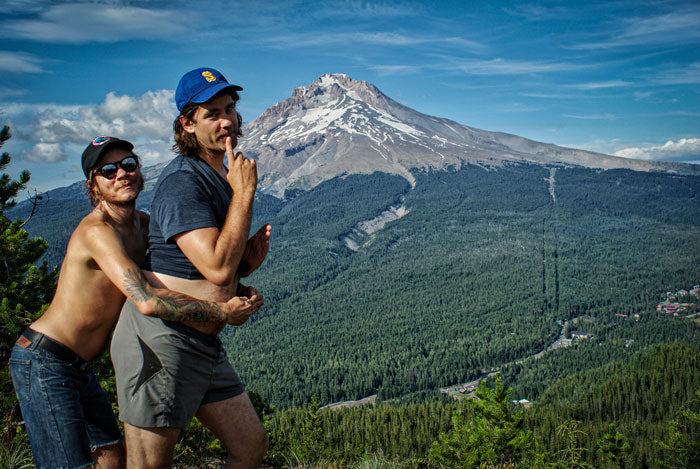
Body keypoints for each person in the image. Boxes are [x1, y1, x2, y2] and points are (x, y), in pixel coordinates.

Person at [8, 136, 264, 469]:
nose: (121, 174)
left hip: (80, 366)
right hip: (45, 358)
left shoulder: (142, 225)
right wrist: (222, 312)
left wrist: (240, 276)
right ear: (94, 184)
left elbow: (176, 278)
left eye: (129, 165)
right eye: (108, 170)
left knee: (113, 459)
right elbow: (146, 299)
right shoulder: (97, 232)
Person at [111, 67, 271, 468]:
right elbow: (216, 267)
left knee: (250, 448)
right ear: (186, 123)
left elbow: (209, 268)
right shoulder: (184, 180)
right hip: (162, 341)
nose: (227, 121)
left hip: (203, 343)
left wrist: (242, 275)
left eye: (230, 109)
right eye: (212, 113)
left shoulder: (218, 174)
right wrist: (245, 193)